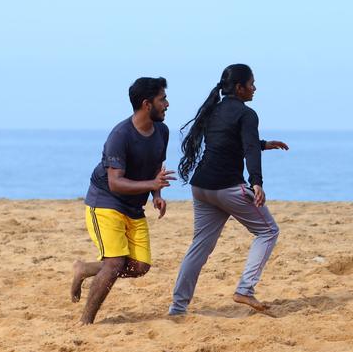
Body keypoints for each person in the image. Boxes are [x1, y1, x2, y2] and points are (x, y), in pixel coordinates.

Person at [169, 64, 289, 315]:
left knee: (199, 246)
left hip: (201, 186)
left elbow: (230, 141)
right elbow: (248, 149)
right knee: (268, 232)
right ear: (239, 87)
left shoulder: (214, 109)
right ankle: (245, 290)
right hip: (227, 188)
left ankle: (177, 308)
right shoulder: (247, 114)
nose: (255, 88)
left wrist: (264, 143)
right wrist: (257, 182)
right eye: (252, 84)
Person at [70, 77, 175, 325]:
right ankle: (86, 322)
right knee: (114, 262)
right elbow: (115, 182)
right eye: (163, 99)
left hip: (133, 205)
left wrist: (156, 195)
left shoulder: (162, 130)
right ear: (147, 104)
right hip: (105, 201)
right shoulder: (120, 136)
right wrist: (152, 186)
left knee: (140, 266)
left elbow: (155, 166)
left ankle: (84, 269)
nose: (167, 104)